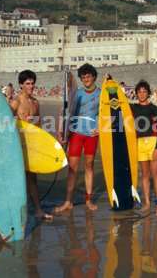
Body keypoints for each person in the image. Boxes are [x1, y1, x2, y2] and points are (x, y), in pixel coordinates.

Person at [55, 63, 100, 213]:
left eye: (88, 76)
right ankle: (68, 201)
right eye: (83, 77)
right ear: (80, 79)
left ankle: (88, 200)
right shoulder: (77, 93)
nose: (86, 79)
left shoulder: (101, 93)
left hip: (91, 135)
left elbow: (106, 113)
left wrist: (101, 127)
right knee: (72, 168)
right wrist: (61, 131)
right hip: (75, 134)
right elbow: (65, 111)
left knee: (89, 166)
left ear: (93, 76)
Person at [10, 70, 53, 221]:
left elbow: (39, 125)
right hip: (18, 146)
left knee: (32, 178)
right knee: (18, 178)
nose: (31, 86)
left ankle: (38, 210)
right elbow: (5, 121)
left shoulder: (35, 102)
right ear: (21, 85)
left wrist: (45, 144)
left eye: (32, 83)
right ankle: (15, 212)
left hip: (32, 144)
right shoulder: (16, 101)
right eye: (27, 83)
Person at [130, 80, 157, 216]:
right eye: (139, 91)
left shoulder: (154, 109)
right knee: (144, 175)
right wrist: (109, 82)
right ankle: (147, 204)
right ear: (136, 93)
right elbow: (117, 104)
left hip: (153, 142)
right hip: (139, 143)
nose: (142, 94)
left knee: (156, 174)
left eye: (144, 91)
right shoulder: (133, 108)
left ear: (148, 93)